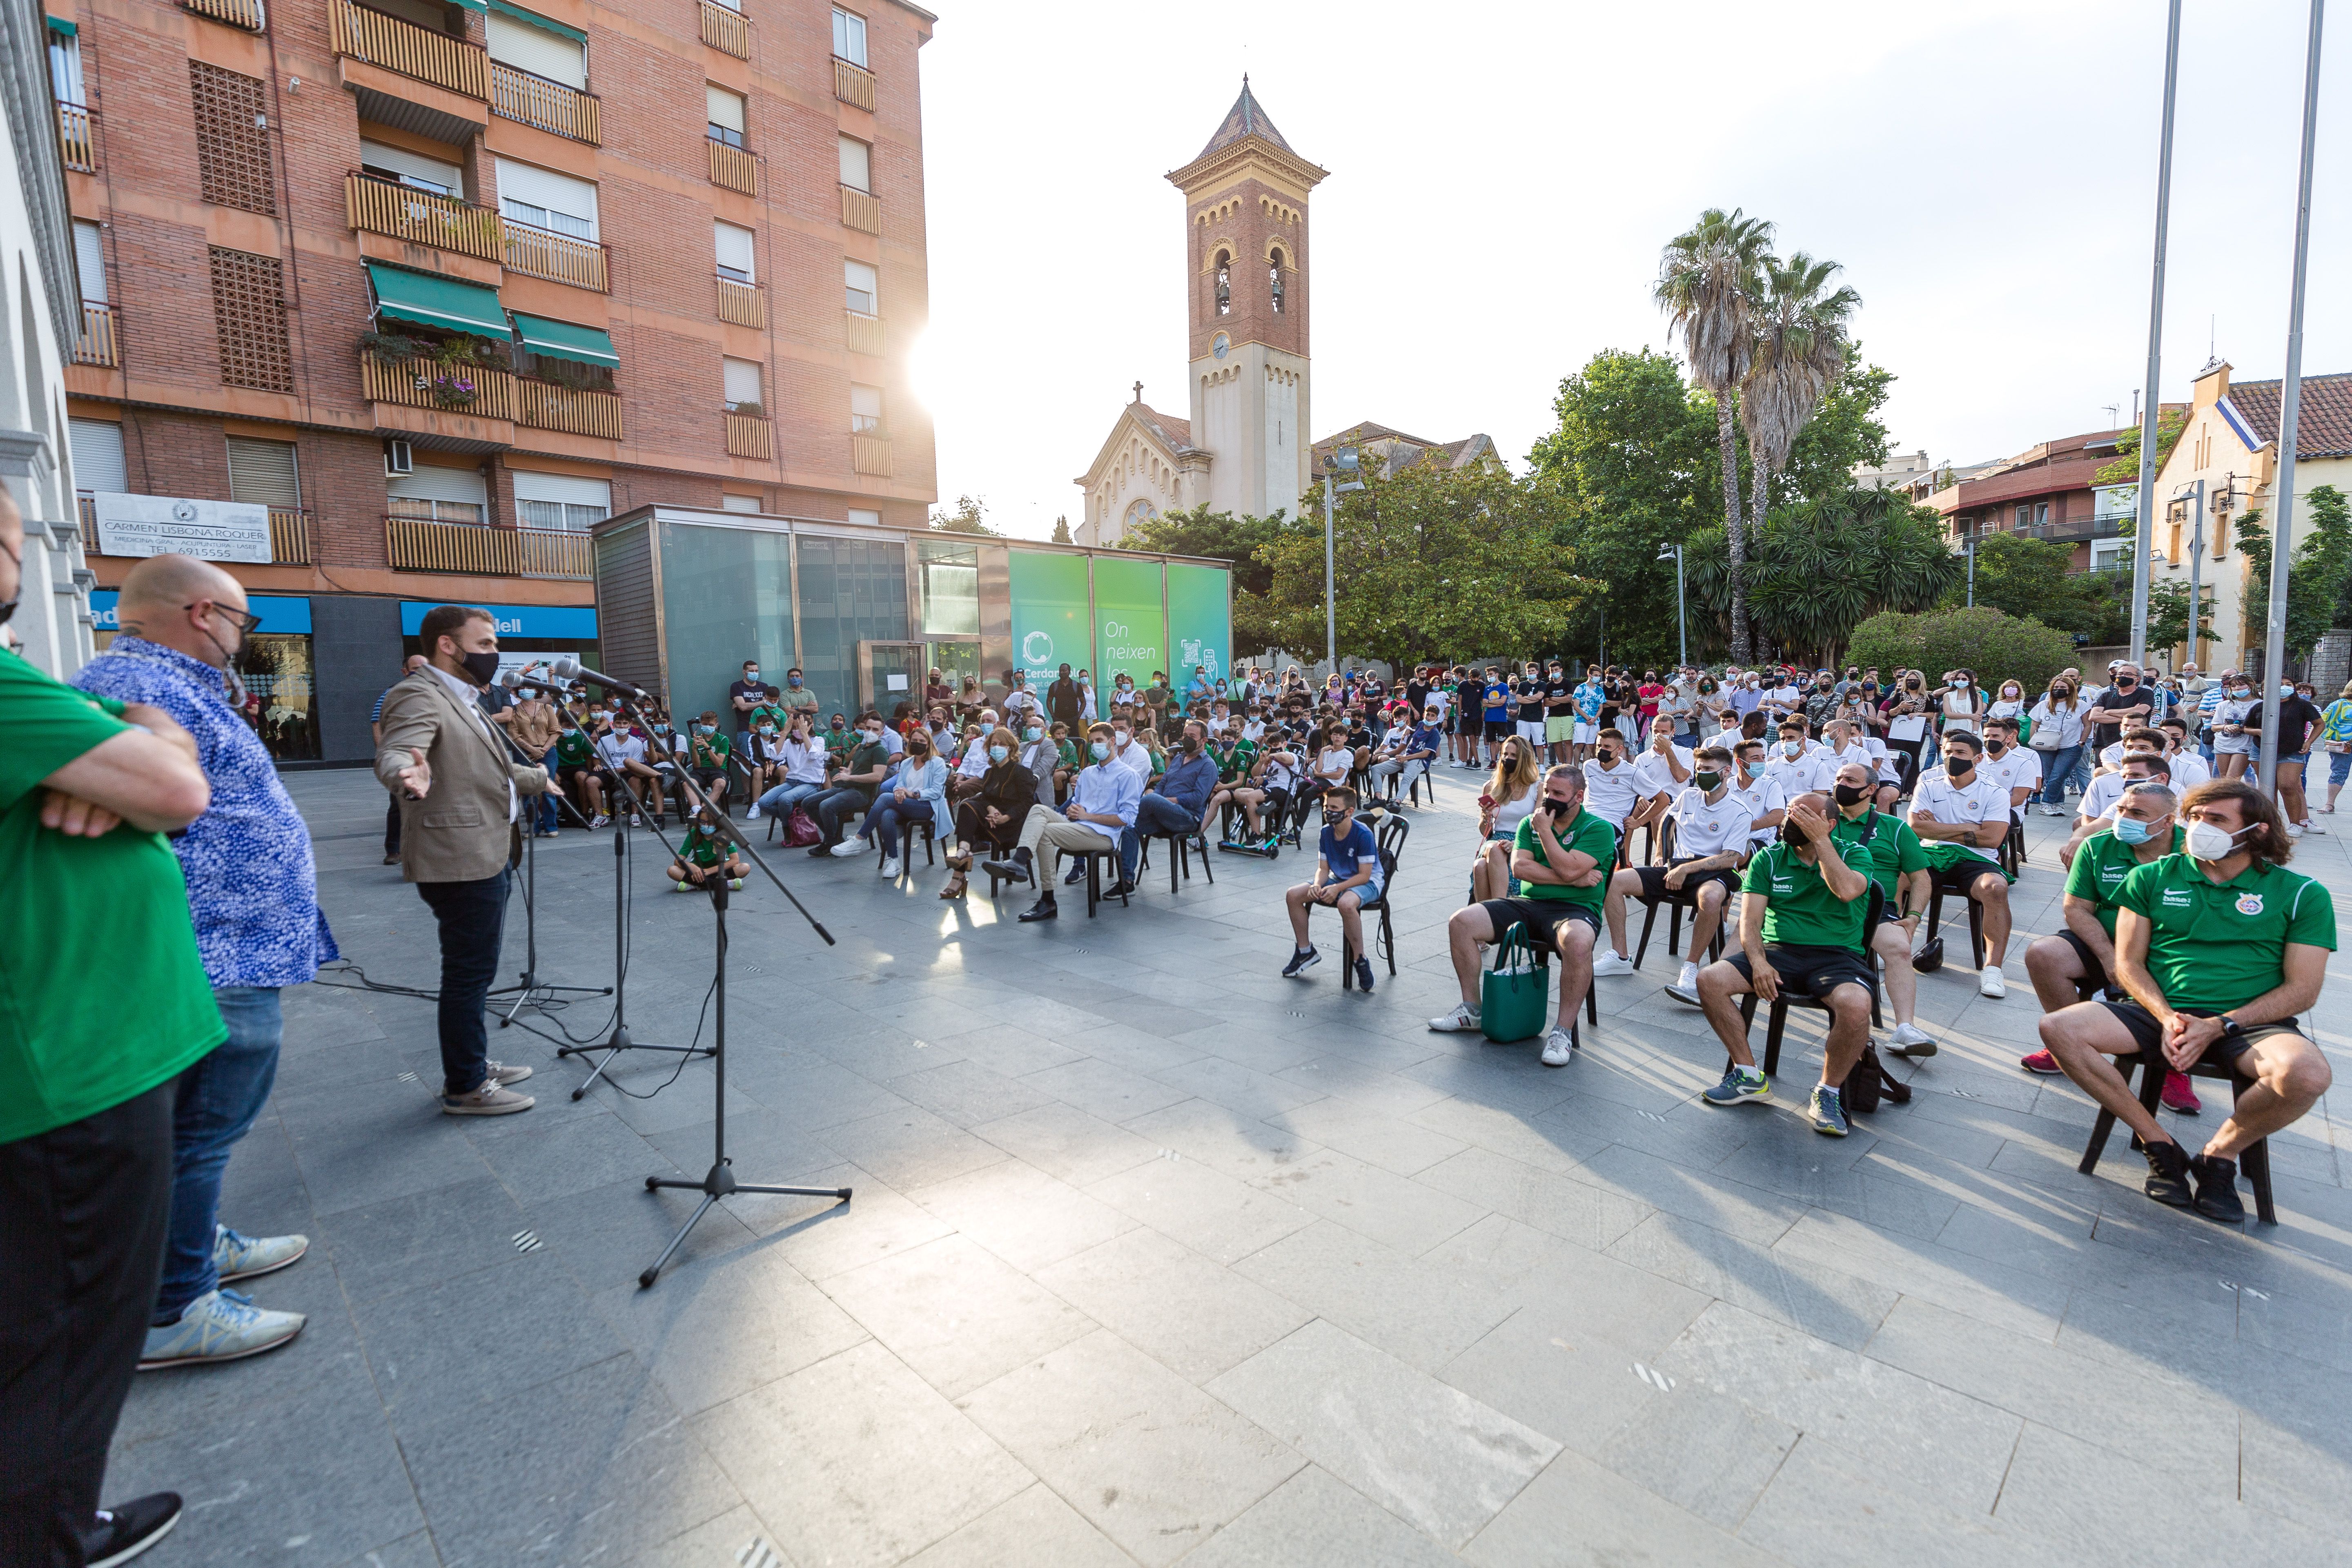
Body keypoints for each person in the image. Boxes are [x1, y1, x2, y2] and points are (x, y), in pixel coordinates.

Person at [2, 485, 217, 1568]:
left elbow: (156, 772)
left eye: (9, 528)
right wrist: (150, 751)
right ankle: (45, 1536)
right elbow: (181, 792)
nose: (10, 541)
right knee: (73, 1331)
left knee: (55, 1322)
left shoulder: (31, 695)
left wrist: (129, 748)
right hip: (66, 1070)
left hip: (78, 1050)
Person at [70, 554, 340, 1372]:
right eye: (241, 620)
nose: (242, 636)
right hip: (215, 945)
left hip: (236, 941)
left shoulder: (172, 686)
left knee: (199, 1133)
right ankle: (176, 1306)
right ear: (200, 613)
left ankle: (194, 1246)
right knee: (202, 1131)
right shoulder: (132, 686)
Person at [2034, 780, 2335, 1223]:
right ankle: (2158, 1143)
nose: (2199, 828)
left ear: (2257, 831)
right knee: (2059, 1028)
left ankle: (2219, 1156)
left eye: (2215, 820)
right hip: (2158, 1011)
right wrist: (2168, 1017)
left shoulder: (2302, 894)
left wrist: (2220, 1025)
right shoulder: (2151, 877)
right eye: (2194, 817)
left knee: (2308, 1075)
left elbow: (2303, 990)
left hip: (2248, 1024)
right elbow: (2129, 965)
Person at [374, 604, 551, 1115]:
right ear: (448, 646)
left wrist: (540, 779)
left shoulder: (467, 699)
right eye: (487, 644)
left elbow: (488, 769)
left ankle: (471, 1062)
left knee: (476, 970)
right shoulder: (418, 693)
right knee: (469, 972)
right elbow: (402, 750)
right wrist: (406, 775)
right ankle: (465, 1085)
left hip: (487, 849)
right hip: (460, 856)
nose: (496, 654)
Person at [1693, 792, 1876, 1135]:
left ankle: (1828, 1092)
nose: (1792, 823)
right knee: (1710, 980)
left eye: (1804, 816)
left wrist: (1821, 842)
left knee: (1856, 1005)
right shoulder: (1769, 858)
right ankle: (1747, 1074)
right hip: (1779, 950)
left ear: (1830, 824)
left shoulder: (1855, 854)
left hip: (1836, 955)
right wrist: (1759, 962)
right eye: (1791, 815)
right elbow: (1749, 923)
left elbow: (1847, 890)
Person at [2018, 779, 2203, 1111]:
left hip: (2167, 944)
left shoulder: (2194, 853)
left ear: (2167, 821)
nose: (2124, 819)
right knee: (2044, 954)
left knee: (2184, 972)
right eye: (2121, 809)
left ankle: (2174, 1063)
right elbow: (2076, 909)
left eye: (2136, 813)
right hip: (2105, 939)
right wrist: (2108, 956)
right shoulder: (2098, 846)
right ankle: (2066, 1042)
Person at [1431, 763, 1615, 1065]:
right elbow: (1520, 868)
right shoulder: (1529, 823)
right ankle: (1472, 1010)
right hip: (1528, 903)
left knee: (1580, 942)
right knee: (1461, 921)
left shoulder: (1598, 828)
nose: (1549, 799)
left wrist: (1547, 837)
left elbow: (1568, 866)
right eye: (1549, 791)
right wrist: (1573, 877)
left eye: (1559, 793)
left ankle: (1562, 1032)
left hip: (1576, 909)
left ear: (1578, 797)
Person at [1599, 746, 1752, 1004]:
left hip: (1712, 872)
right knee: (1614, 881)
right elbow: (1667, 821)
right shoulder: (1689, 797)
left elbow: (1732, 857)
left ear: (1727, 772)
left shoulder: (1739, 810)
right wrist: (1662, 854)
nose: (1701, 774)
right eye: (1699, 769)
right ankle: (1620, 956)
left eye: (1708, 770)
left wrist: (1687, 869)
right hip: (1677, 866)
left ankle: (1690, 967)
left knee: (1712, 899)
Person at [1824, 760, 1937, 1055]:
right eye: (1839, 779)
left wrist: (1913, 918)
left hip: (1874, 907)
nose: (1841, 785)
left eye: (1850, 780)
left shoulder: (1894, 828)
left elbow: (1921, 879)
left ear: (1871, 789)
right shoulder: (1822, 820)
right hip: (1822, 902)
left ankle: (1905, 1028)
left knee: (1900, 948)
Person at [987, 722, 1145, 919]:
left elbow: (1128, 819)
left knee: (1044, 832)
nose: (1095, 745)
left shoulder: (1128, 775)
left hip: (1103, 835)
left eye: (1100, 741)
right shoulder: (1087, 774)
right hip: (1078, 825)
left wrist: (1087, 816)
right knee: (1038, 809)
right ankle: (1020, 861)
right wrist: (1073, 810)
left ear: (1112, 742)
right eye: (1092, 742)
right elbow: (1077, 805)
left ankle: (1047, 899)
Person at [1909, 729, 2016, 998]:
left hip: (1976, 860)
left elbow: (1992, 839)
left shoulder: (1995, 792)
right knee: (1900, 875)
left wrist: (1937, 826)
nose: (1951, 757)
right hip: (1933, 853)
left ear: (1978, 758)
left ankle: (1993, 969)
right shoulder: (1928, 785)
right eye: (1947, 752)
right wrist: (1968, 828)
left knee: (1995, 888)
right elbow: (1915, 828)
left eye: (1960, 753)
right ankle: (1896, 946)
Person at [1281, 788, 1386, 989]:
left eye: (1334, 808)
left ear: (1349, 811)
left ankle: (1360, 960)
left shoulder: (1363, 834)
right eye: (1326, 807)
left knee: (1347, 904)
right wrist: (1317, 885)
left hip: (1368, 882)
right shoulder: (1326, 832)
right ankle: (1305, 951)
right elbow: (1323, 868)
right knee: (1293, 895)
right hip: (1337, 878)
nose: (1329, 811)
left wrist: (1338, 889)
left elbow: (1364, 876)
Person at [833, 727, 946, 877]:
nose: (918, 744)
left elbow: (937, 791)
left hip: (927, 806)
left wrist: (913, 794)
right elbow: (899, 784)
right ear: (909, 743)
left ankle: (859, 839)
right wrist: (899, 791)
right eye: (914, 741)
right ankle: (893, 861)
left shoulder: (937, 763)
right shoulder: (906, 763)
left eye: (922, 742)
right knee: (887, 814)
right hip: (905, 804)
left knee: (885, 798)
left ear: (929, 744)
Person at [944, 728, 1036, 899]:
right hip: (990, 820)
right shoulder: (990, 772)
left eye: (1002, 744)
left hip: (1013, 823)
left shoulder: (1021, 772)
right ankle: (963, 852)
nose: (997, 747)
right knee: (968, 806)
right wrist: (991, 809)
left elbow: (1027, 803)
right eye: (994, 744)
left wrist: (1005, 817)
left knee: (968, 808)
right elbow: (985, 798)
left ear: (1011, 748)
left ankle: (960, 871)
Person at [1128, 725, 1218, 882]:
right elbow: (1163, 784)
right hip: (1163, 814)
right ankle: (1126, 880)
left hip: (1188, 818)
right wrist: (1157, 801)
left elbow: (1198, 798)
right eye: (1185, 735)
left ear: (1204, 740)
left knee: (1150, 800)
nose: (1187, 739)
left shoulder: (1208, 765)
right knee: (1131, 828)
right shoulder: (1178, 758)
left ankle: (1119, 817)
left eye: (1192, 736)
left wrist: (1162, 801)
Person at [2243, 679, 2324, 836]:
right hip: (2262, 751)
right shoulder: (2260, 706)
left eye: (2288, 684)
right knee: (2268, 789)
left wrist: (2309, 742)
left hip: (2292, 752)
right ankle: (2272, 825)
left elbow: (2320, 724)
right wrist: (2259, 732)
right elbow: (2247, 728)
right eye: (2279, 684)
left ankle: (2296, 823)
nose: (2283, 687)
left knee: (2288, 785)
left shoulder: (2302, 705)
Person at [1471, 736, 1542, 903]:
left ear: (1524, 759)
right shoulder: (1491, 787)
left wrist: (1517, 843)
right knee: (1496, 849)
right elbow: (1485, 831)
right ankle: (1501, 909)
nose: (1507, 759)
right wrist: (1486, 817)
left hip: (1523, 841)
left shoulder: (1537, 788)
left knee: (1480, 867)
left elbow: (1537, 827)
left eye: (1513, 756)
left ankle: (1488, 916)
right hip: (1495, 841)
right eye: (1505, 754)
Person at [373, 653, 428, 862]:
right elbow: (376, 724)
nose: (422, 673)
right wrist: (386, 753)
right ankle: (394, 849)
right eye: (415, 669)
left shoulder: (438, 693)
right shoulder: (393, 694)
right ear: (405, 672)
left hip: (429, 759)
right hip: (403, 758)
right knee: (399, 804)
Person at [2026, 674, 2086, 816]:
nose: (2059, 690)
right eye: (2056, 687)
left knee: (2058, 775)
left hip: (2070, 746)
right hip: (2046, 745)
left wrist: (2082, 742)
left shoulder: (2081, 705)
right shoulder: (2044, 705)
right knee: (2050, 776)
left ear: (2071, 690)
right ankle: (2058, 803)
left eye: (2063, 688)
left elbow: (2088, 724)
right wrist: (2034, 741)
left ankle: (2046, 803)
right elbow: (2035, 723)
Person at [751, 717, 830, 823]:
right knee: (763, 802)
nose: (797, 730)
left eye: (800, 727)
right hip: (792, 782)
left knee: (785, 799)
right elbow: (775, 755)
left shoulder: (818, 740)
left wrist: (804, 734)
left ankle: (787, 828)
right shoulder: (789, 742)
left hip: (811, 783)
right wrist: (785, 732)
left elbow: (813, 755)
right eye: (794, 728)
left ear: (809, 727)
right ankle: (795, 821)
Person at [668, 804, 747, 891]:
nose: (705, 825)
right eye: (702, 822)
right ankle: (725, 884)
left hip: (719, 871)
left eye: (709, 822)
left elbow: (735, 860)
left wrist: (709, 871)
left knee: (744, 868)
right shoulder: (694, 834)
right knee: (672, 870)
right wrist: (692, 867)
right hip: (698, 873)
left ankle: (696, 885)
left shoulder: (724, 834)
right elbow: (678, 860)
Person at [2321, 680, 2352, 814]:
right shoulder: (2339, 704)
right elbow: (2322, 721)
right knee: (2339, 773)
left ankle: (2329, 804)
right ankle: (2330, 804)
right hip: (2344, 746)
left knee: (2338, 773)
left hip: (2344, 745)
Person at [728, 659, 766, 754]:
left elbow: (770, 705)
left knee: (764, 760)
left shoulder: (764, 687)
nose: (755, 673)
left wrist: (745, 704)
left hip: (763, 729)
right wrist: (762, 702)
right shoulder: (737, 686)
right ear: (744, 673)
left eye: (756, 671)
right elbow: (743, 707)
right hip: (745, 729)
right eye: (752, 671)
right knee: (746, 761)